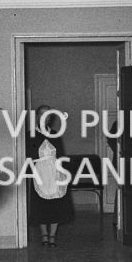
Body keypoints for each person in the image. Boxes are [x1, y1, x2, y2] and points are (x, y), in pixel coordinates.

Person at [26, 104, 75, 247]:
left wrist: (64, 172)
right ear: (37, 117)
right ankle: (44, 235)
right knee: (41, 205)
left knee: (56, 204)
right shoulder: (30, 135)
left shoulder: (55, 134)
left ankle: (53, 235)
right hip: (39, 173)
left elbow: (61, 155)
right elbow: (29, 156)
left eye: (48, 115)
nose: (45, 117)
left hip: (55, 173)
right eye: (42, 114)